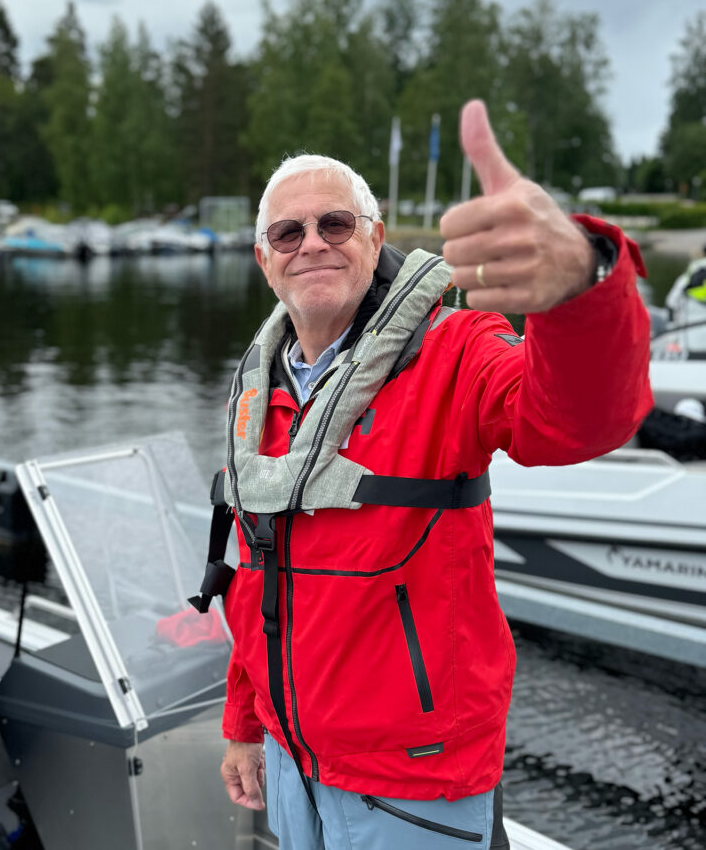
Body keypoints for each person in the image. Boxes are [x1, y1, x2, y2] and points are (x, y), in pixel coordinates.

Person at [192, 100, 653, 848]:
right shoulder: (256, 393)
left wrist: (579, 284)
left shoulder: (456, 348)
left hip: (413, 783)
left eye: (335, 224)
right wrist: (245, 723)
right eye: (288, 231)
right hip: (291, 762)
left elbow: (575, 424)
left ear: (375, 239)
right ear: (264, 258)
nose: (312, 243)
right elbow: (255, 573)